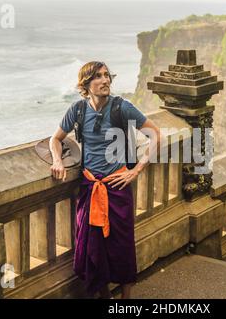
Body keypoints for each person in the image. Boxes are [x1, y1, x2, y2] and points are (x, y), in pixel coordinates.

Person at [49, 61, 161, 299]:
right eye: (98, 77)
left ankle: (126, 299)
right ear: (86, 84)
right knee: (94, 246)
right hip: (91, 187)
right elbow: (55, 139)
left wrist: (137, 170)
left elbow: (156, 135)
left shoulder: (123, 107)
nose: (105, 80)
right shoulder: (77, 110)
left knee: (122, 246)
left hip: (117, 188)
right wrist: (57, 161)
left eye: (107, 76)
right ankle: (105, 296)